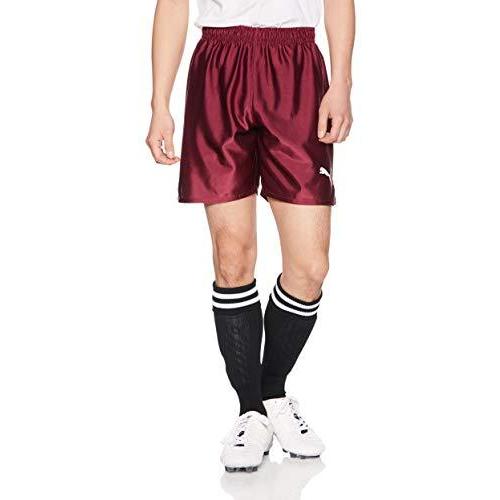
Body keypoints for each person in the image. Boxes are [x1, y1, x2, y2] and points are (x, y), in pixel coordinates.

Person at [146, 0, 354, 473]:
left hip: (295, 64)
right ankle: (252, 411)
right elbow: (173, 3)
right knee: (232, 256)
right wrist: (159, 103)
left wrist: (341, 82)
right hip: (220, 63)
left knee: (310, 267)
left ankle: (271, 391)